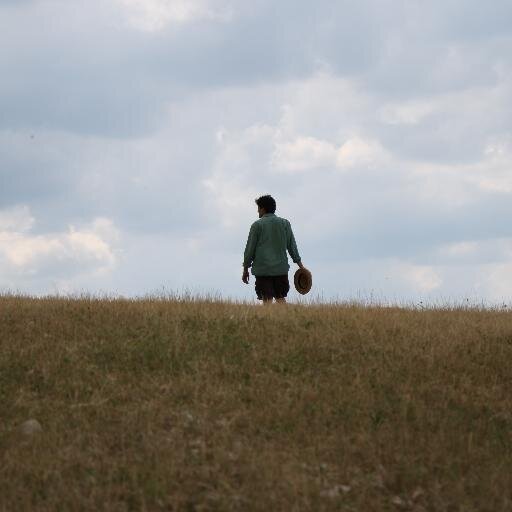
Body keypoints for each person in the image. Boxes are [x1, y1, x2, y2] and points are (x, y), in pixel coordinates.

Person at [242, 195, 306, 304]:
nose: (257, 211)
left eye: (258, 208)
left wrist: (245, 269)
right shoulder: (285, 223)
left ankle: (268, 321)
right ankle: (286, 320)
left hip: (263, 270)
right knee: (280, 298)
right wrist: (301, 266)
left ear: (263, 208)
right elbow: (292, 246)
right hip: (281, 270)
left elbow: (250, 249)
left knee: (267, 300)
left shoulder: (257, 225)